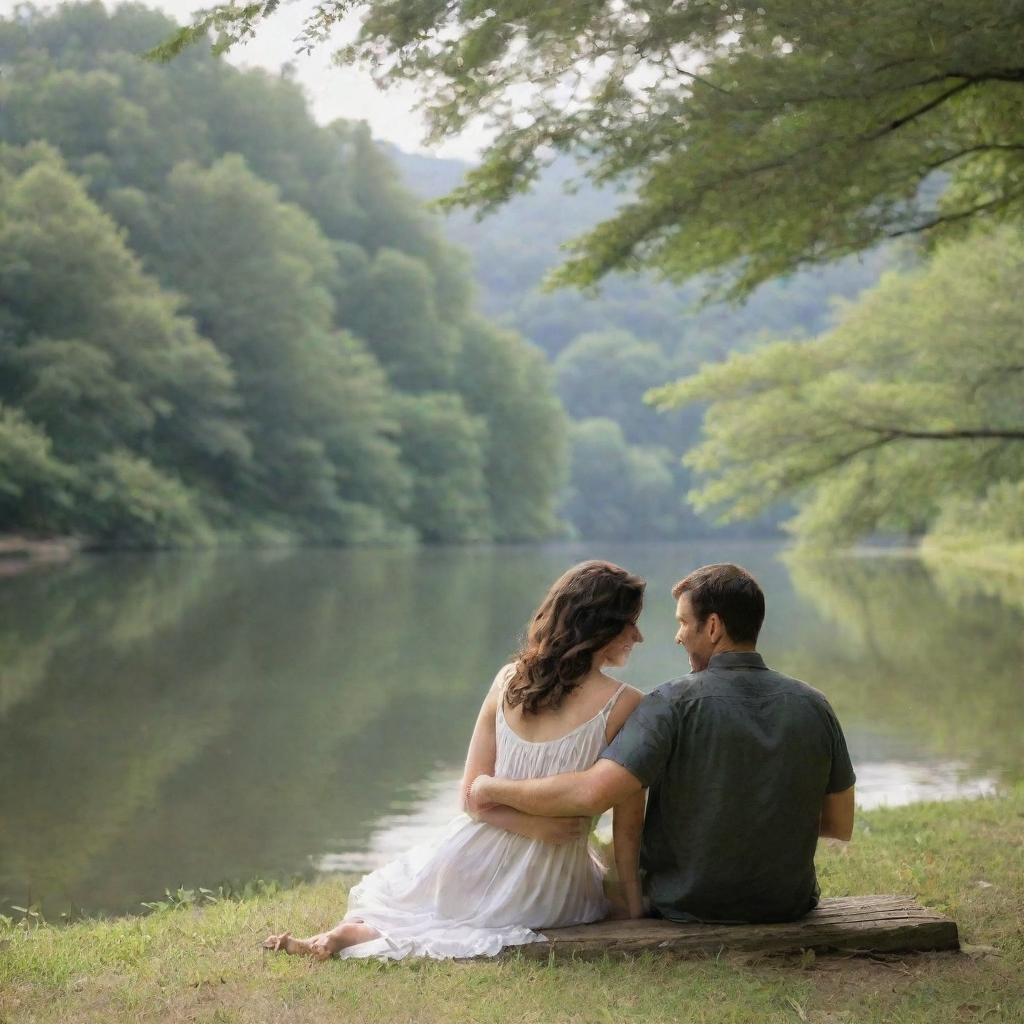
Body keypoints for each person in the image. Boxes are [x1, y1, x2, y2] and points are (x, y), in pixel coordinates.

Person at [263, 560, 648, 960]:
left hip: (468, 855)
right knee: (478, 923)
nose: (637, 635)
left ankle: (352, 934)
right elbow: (628, 825)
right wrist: (632, 907)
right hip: (548, 880)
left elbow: (470, 797)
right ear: (600, 625)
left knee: (432, 912)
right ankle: (350, 936)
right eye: (629, 623)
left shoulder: (509, 680)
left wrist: (527, 823)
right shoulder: (626, 703)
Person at [471, 562, 856, 924]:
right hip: (786, 902)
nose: (676, 636)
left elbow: (590, 794)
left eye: (683, 623)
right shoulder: (815, 705)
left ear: (713, 627)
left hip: (687, 902)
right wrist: (764, 819)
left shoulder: (670, 703)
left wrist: (489, 789)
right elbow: (840, 823)